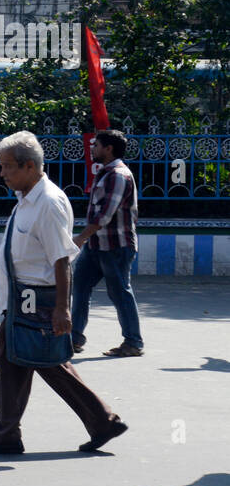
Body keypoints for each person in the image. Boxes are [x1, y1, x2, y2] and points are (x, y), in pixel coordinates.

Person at [0, 131, 128, 455]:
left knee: (41, 360)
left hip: (38, 299)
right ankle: (10, 433)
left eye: (7, 167)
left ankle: (10, 434)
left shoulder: (49, 203)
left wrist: (62, 309)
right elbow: (17, 255)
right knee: (22, 360)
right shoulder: (26, 199)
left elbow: (61, 259)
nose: (2, 173)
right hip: (20, 296)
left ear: (29, 166)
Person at [71, 129, 142, 357]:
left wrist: (81, 238)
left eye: (96, 145)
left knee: (120, 292)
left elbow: (104, 215)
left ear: (108, 149)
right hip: (96, 246)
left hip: (116, 246)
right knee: (80, 288)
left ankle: (133, 342)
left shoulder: (118, 175)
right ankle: (73, 338)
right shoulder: (105, 173)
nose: (92, 149)